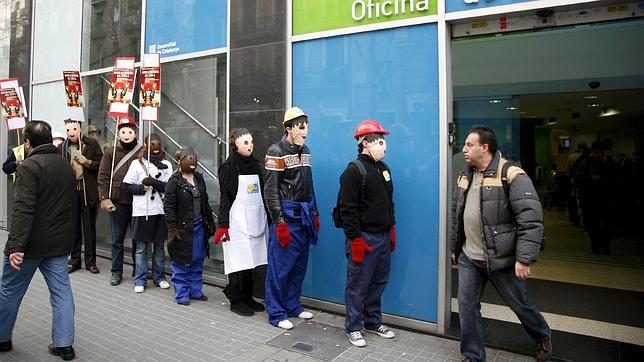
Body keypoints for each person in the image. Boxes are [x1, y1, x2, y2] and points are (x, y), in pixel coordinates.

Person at [451, 126, 551, 362]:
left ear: (484, 147)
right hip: (469, 257)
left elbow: (531, 219)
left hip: (501, 258)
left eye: (469, 145)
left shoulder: (512, 174)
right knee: (466, 307)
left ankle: (542, 334)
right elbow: (456, 214)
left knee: (520, 305)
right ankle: (473, 355)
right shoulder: (465, 175)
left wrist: (524, 258)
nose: (464, 149)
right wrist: (454, 248)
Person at [0, 120, 77, 360]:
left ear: (27, 142)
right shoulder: (65, 165)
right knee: (62, 292)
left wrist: (15, 246)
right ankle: (64, 344)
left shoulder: (28, 166)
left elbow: (23, 209)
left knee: (9, 290)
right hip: (57, 244)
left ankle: (2, 339)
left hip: (29, 245)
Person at [337, 119, 397, 347]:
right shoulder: (353, 172)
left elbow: (389, 203)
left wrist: (391, 228)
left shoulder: (384, 169)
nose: (384, 146)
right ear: (365, 143)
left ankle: (372, 321)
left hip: (382, 236)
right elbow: (347, 209)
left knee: (379, 281)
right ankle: (353, 327)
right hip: (364, 238)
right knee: (358, 285)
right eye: (379, 141)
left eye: (383, 141)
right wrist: (355, 240)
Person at [264, 107, 320, 330]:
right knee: (280, 266)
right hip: (287, 216)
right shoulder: (275, 152)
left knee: (299, 264)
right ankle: (276, 313)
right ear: (289, 129)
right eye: (301, 126)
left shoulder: (306, 150)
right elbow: (271, 190)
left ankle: (292, 305)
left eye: (306, 125)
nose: (305, 130)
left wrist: (314, 213)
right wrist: (279, 222)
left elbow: (309, 184)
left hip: (304, 214)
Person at [214, 128, 268, 316]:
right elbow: (225, 198)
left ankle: (247, 296)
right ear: (235, 145)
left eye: (251, 142)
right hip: (236, 223)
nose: (250, 146)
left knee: (252, 261)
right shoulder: (229, 167)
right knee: (238, 262)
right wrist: (222, 225)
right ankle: (236, 299)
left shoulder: (256, 165)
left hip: (255, 222)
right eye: (245, 143)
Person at [163, 147, 216, 305]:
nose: (192, 161)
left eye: (194, 157)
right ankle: (181, 294)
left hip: (199, 226)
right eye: (189, 158)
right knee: (181, 262)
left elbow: (205, 201)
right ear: (181, 161)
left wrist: (210, 221)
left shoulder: (199, 178)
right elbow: (169, 207)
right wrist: (172, 228)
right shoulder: (174, 182)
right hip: (182, 229)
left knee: (197, 260)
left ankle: (196, 291)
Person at [122, 133, 172, 293]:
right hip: (142, 210)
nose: (155, 147)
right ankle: (140, 279)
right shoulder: (137, 164)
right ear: (145, 145)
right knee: (141, 247)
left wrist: (154, 182)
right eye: (152, 144)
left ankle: (159, 277)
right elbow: (126, 186)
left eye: (158, 143)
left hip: (160, 210)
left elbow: (169, 188)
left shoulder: (167, 165)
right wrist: (140, 188)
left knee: (159, 246)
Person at [97, 116, 142, 286]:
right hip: (117, 201)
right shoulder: (111, 152)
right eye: (123, 131)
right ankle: (116, 271)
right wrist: (104, 197)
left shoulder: (141, 151)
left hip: (138, 201)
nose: (127, 134)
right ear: (118, 133)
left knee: (139, 239)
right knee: (117, 239)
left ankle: (139, 270)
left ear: (135, 132)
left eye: (130, 131)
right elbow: (103, 176)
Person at [58, 119, 103, 274]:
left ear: (80, 129)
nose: (71, 133)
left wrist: (87, 162)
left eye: (74, 129)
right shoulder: (61, 148)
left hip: (88, 191)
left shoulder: (92, 144)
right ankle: (75, 260)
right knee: (73, 228)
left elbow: (101, 165)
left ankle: (91, 261)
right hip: (71, 192)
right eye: (68, 130)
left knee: (89, 228)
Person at [575, 141, 613, 255]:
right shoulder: (585, 163)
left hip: (605, 198)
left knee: (607, 224)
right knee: (593, 224)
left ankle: (605, 246)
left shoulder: (608, 163)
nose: (598, 155)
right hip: (591, 198)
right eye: (596, 152)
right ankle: (596, 246)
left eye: (600, 153)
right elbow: (578, 178)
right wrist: (591, 178)